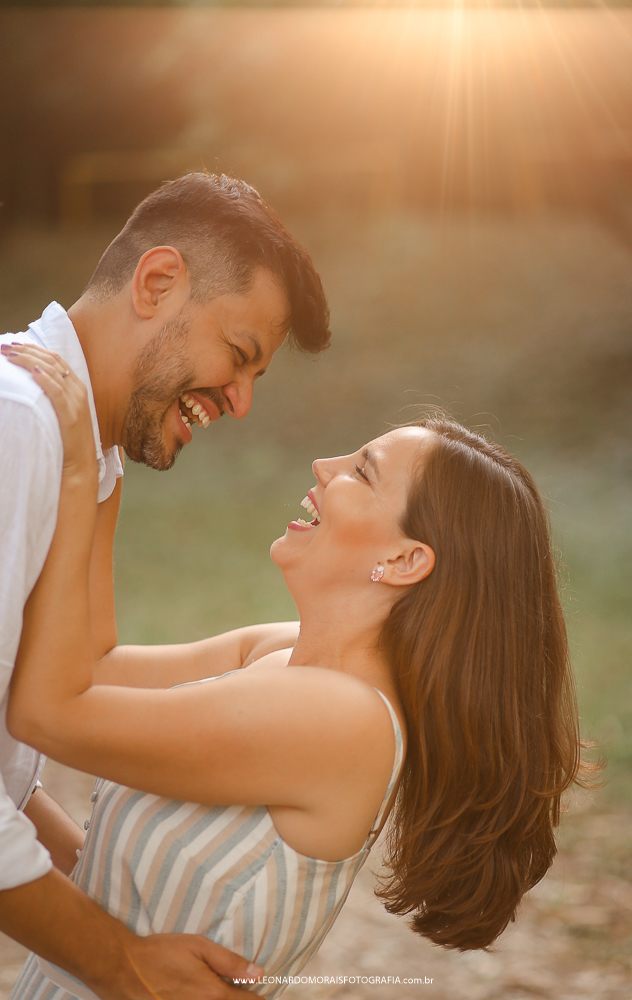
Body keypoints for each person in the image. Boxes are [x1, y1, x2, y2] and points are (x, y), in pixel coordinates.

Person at [4, 345, 588, 999]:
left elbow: (47, 711)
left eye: (362, 473)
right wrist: (107, 451)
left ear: (402, 561)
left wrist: (79, 471)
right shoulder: (281, 653)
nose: (324, 465)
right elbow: (91, 666)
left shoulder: (340, 719)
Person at [0, 172, 330, 1000]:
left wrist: (103, 888)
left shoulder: (84, 450)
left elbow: (36, 697)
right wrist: (121, 959)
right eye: (239, 354)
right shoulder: (18, 426)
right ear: (156, 283)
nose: (241, 400)